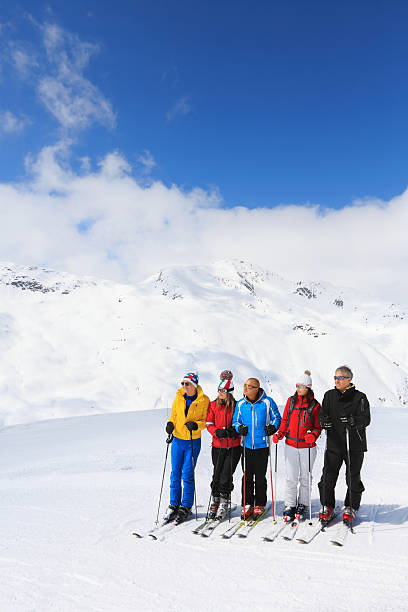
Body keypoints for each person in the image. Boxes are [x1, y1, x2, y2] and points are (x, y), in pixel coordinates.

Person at [318, 365, 371, 524]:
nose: (337, 380)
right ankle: (328, 506)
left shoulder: (360, 397)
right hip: (334, 443)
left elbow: (366, 419)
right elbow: (323, 414)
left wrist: (354, 421)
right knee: (327, 477)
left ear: (349, 379)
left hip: (353, 445)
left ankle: (351, 507)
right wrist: (324, 421)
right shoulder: (329, 395)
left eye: (340, 377)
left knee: (352, 478)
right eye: (335, 377)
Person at [273, 370, 321, 521]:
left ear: (308, 387)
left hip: (307, 447)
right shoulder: (291, 401)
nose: (298, 388)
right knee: (290, 477)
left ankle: (303, 504)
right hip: (291, 445)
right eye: (297, 386)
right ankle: (290, 505)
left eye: (301, 386)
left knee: (305, 477)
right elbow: (285, 420)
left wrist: (313, 435)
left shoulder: (314, 405)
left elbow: (318, 426)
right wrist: (280, 433)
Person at [164, 372, 210, 523]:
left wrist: (196, 425)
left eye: (187, 384)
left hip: (192, 440)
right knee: (175, 473)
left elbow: (206, 421)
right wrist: (170, 424)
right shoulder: (178, 397)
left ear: (194, 385)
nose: (184, 386)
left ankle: (186, 506)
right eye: (183, 383)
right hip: (177, 439)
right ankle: (174, 504)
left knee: (187, 474)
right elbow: (174, 415)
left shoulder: (204, 400)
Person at [233, 378, 281, 519]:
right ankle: (247, 504)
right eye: (244, 386)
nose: (245, 388)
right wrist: (239, 428)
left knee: (260, 476)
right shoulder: (241, 404)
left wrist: (272, 427)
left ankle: (259, 503)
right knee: (247, 475)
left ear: (256, 388)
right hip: (246, 446)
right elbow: (236, 420)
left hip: (262, 445)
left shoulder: (267, 402)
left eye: (249, 386)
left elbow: (277, 418)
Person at [206, 370, 241, 520]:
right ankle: (215, 500)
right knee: (217, 474)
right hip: (218, 446)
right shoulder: (213, 405)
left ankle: (224, 502)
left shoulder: (237, 405)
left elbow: (240, 422)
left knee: (226, 476)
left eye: (223, 390)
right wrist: (216, 432)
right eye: (219, 390)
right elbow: (209, 423)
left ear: (229, 392)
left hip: (233, 447)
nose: (220, 393)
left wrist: (235, 430)